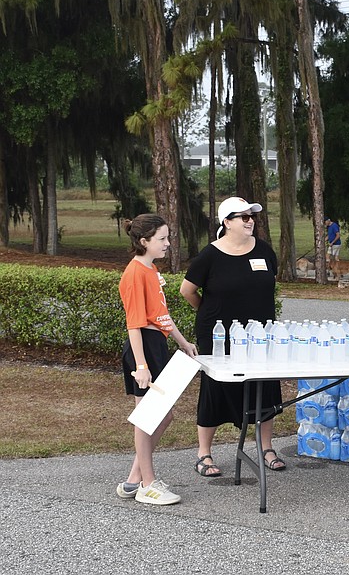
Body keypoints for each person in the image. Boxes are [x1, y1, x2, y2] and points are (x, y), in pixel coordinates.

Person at [180, 197, 285, 477]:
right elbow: (187, 290)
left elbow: (268, 285)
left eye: (252, 216)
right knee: (215, 390)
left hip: (260, 335)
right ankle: (204, 453)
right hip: (218, 336)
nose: (250, 221)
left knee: (264, 386)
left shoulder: (264, 251)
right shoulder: (209, 256)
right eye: (243, 217)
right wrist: (209, 311)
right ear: (227, 222)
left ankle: (265, 448)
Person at [117, 214, 198, 505]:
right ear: (144, 241)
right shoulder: (135, 273)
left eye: (168, 237)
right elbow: (134, 323)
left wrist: (182, 341)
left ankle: (133, 479)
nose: (168, 243)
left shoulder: (150, 270)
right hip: (144, 350)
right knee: (148, 418)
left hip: (157, 345)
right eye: (162, 239)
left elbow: (160, 315)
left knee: (164, 416)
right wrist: (141, 365)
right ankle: (147, 485)